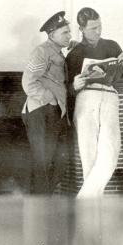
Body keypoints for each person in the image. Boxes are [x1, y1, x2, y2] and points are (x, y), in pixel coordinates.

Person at [66, 7, 123, 199]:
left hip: (109, 96)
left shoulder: (112, 45)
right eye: (92, 29)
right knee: (88, 154)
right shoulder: (74, 53)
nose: (98, 32)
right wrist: (74, 84)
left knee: (111, 152)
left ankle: (83, 200)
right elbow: (66, 87)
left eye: (99, 26)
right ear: (81, 29)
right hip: (86, 99)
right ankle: (92, 209)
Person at [21, 11, 72, 195]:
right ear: (52, 35)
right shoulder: (41, 51)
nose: (69, 36)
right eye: (65, 32)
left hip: (54, 113)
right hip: (41, 112)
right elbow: (28, 83)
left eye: (69, 32)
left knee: (60, 162)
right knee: (42, 163)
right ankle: (40, 208)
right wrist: (50, 99)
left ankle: (43, 202)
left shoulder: (58, 52)